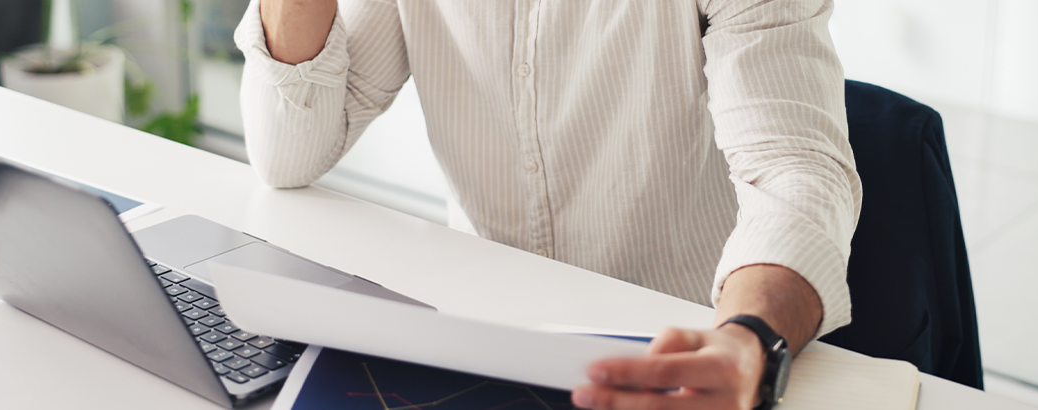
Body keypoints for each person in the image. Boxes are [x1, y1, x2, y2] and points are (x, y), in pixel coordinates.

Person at [236, 1, 860, 408]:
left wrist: (749, 339)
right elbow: (289, 153)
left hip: (673, 351)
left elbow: (794, 170)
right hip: (481, 343)